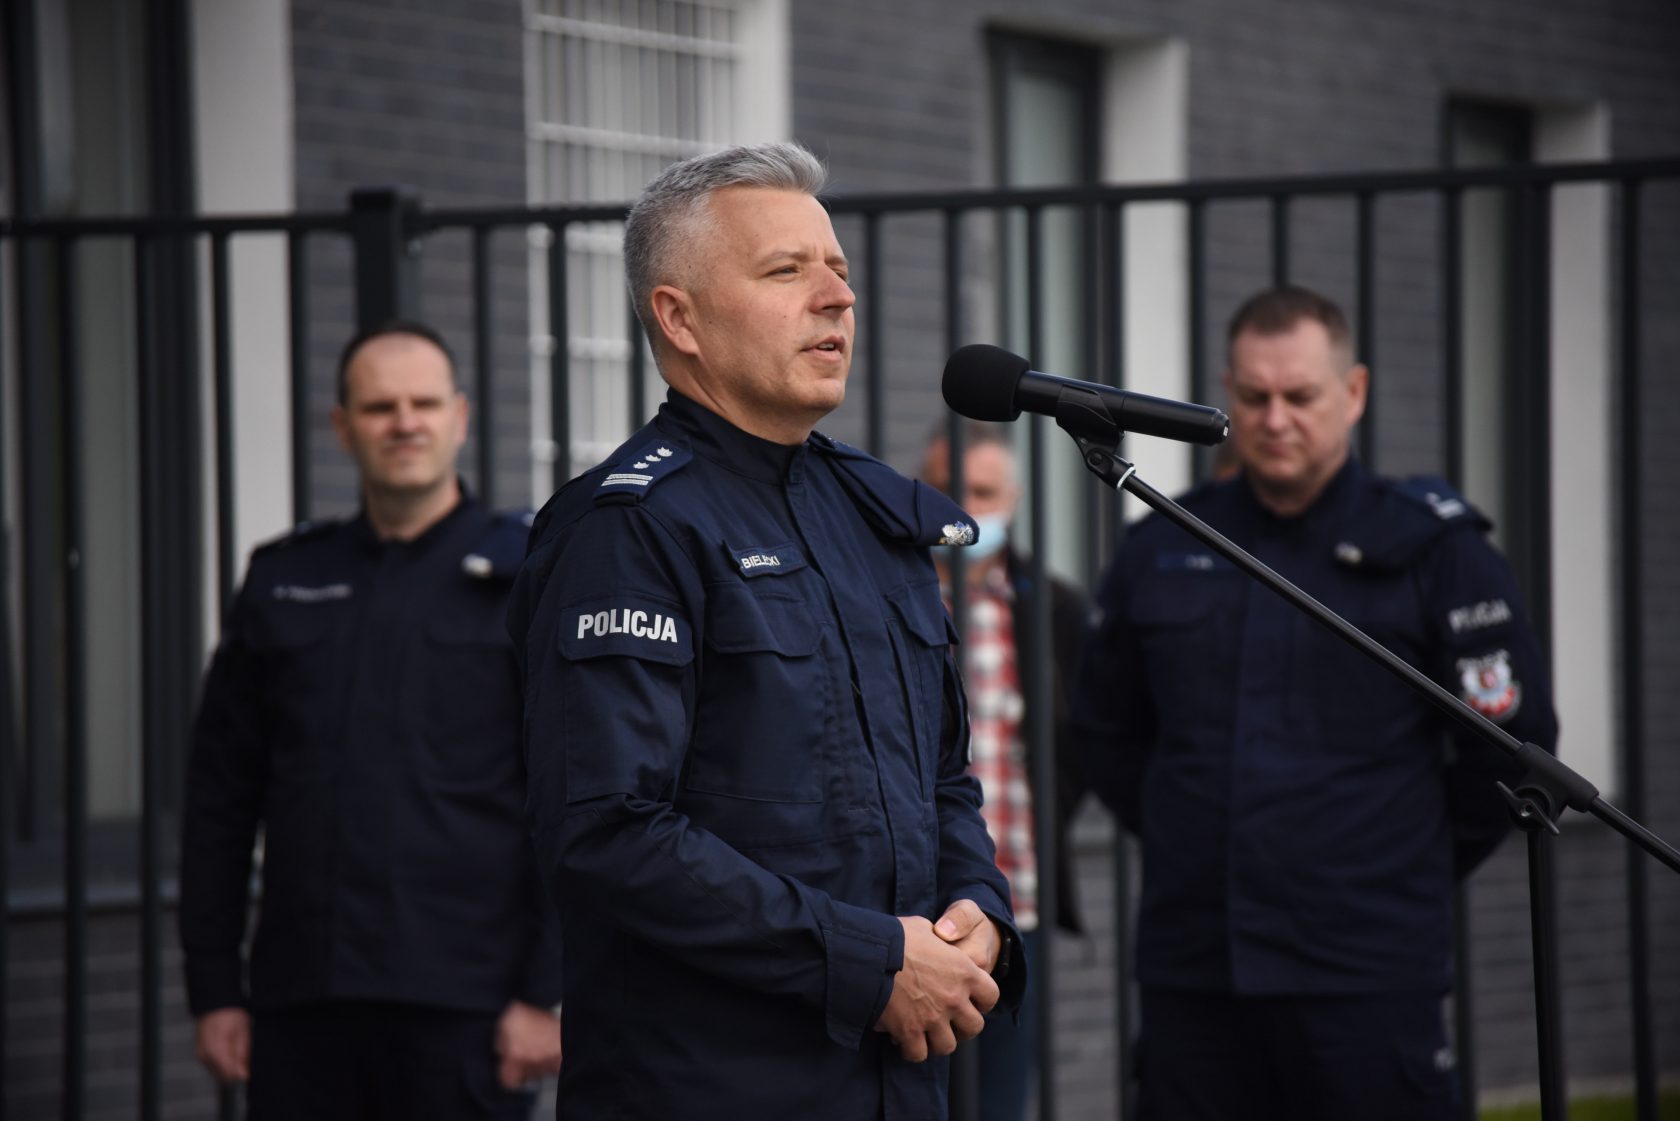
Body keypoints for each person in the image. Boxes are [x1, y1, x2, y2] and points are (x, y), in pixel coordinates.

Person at [507, 142, 1025, 1119]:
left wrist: (979, 913)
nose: (837, 297)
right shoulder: (630, 531)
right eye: (787, 271)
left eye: (838, 268)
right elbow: (608, 831)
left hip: (896, 1084)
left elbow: (943, 779)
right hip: (711, 1086)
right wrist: (869, 960)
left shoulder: (874, 516)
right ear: (679, 318)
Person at [1072, 285, 1559, 1120]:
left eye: (1299, 396)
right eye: (1255, 396)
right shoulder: (1166, 541)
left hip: (1366, 970)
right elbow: (1104, 732)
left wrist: (1391, 857)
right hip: (1199, 969)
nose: (1275, 419)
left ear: (1354, 391)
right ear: (1228, 392)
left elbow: (1512, 750)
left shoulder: (1435, 551)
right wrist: (1199, 827)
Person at [178, 321, 563, 1119]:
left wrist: (545, 990)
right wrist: (213, 988)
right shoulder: (284, 578)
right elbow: (219, 799)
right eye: (380, 406)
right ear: (343, 426)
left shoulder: (527, 575)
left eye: (424, 403)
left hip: (467, 1005)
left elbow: (570, 796)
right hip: (302, 1000)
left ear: (460, 416)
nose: (404, 422)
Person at [920, 421, 1089, 1121]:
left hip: (1016, 901)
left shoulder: (1049, 605)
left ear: (1015, 499)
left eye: (984, 493)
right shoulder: (884, 593)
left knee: (999, 1100)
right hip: (908, 909)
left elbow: (1079, 742)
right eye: (947, 488)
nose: (965, 507)